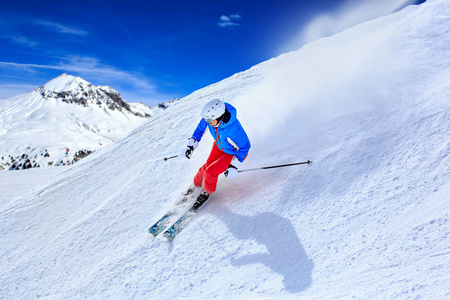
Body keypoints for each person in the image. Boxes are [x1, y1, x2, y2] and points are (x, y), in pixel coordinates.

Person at [183, 99, 251, 210]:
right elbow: (200, 130)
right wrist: (191, 145)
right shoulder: (210, 118)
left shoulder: (234, 128)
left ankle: (206, 192)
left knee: (211, 171)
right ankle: (195, 185)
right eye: (207, 119)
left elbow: (245, 147)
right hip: (219, 146)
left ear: (219, 117)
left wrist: (234, 165)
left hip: (230, 153)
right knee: (205, 167)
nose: (208, 122)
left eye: (210, 120)